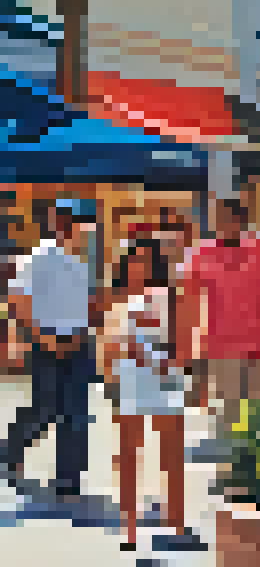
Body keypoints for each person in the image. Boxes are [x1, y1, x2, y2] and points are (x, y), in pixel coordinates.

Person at [102, 238, 198, 552]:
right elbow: (108, 347)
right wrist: (112, 378)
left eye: (144, 260)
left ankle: (176, 522)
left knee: (172, 456)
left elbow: (185, 341)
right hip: (130, 380)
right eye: (133, 259)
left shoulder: (171, 298)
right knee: (129, 455)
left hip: (165, 382)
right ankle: (129, 526)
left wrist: (171, 365)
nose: (138, 266)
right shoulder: (116, 301)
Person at [3, 200, 100, 499]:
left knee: (76, 413)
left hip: (79, 344)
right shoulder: (38, 258)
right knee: (45, 409)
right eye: (67, 220)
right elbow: (18, 302)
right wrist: (43, 339)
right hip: (46, 343)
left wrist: (85, 335)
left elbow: (88, 306)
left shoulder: (83, 262)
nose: (73, 226)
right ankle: (11, 451)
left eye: (77, 221)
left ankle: (68, 481)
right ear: (56, 222)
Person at [179, 197, 260, 460]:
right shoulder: (201, 253)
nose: (221, 223)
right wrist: (188, 348)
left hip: (259, 342)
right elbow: (189, 302)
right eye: (218, 218)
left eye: (226, 217)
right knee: (230, 407)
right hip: (219, 343)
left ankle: (258, 458)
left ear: (240, 220)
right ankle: (234, 463)